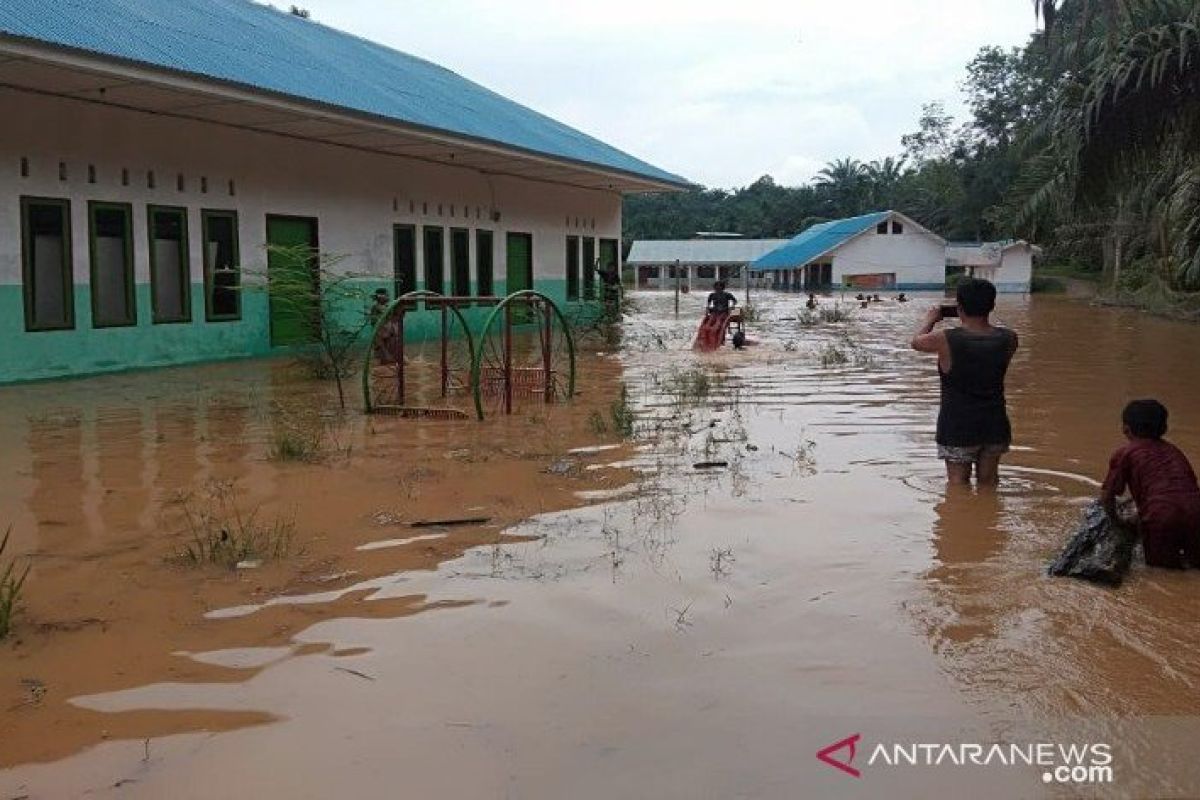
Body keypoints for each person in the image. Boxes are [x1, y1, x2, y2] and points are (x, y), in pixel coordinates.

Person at [911, 277, 1018, 486]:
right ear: (992, 305)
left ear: (959, 307)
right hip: (995, 424)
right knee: (989, 483)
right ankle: (989, 517)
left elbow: (915, 342)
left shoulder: (944, 339)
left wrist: (931, 319)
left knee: (958, 484)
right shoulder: (1009, 338)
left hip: (957, 426)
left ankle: (963, 517)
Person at [1100, 399, 1200, 568]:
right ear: (1164, 429)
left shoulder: (1125, 453)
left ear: (1126, 429)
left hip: (1161, 516)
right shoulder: (1174, 451)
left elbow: (1107, 496)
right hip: (1196, 511)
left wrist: (1117, 521)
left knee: (1164, 572)